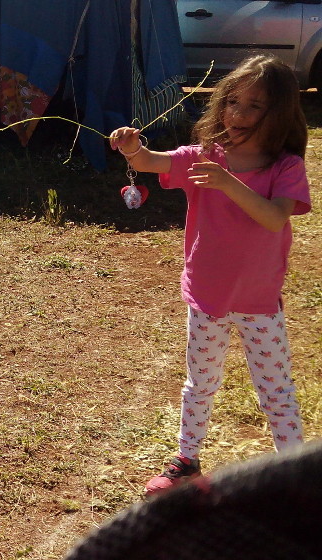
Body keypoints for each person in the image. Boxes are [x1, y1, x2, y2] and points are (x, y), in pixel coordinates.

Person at [109, 55, 310, 496]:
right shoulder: (204, 157)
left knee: (275, 390)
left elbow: (275, 218)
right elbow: (153, 162)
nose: (238, 113)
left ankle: (296, 474)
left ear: (278, 113)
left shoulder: (285, 167)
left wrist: (229, 183)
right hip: (206, 296)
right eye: (232, 101)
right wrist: (131, 148)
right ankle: (187, 459)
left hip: (259, 301)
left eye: (254, 105)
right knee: (199, 383)